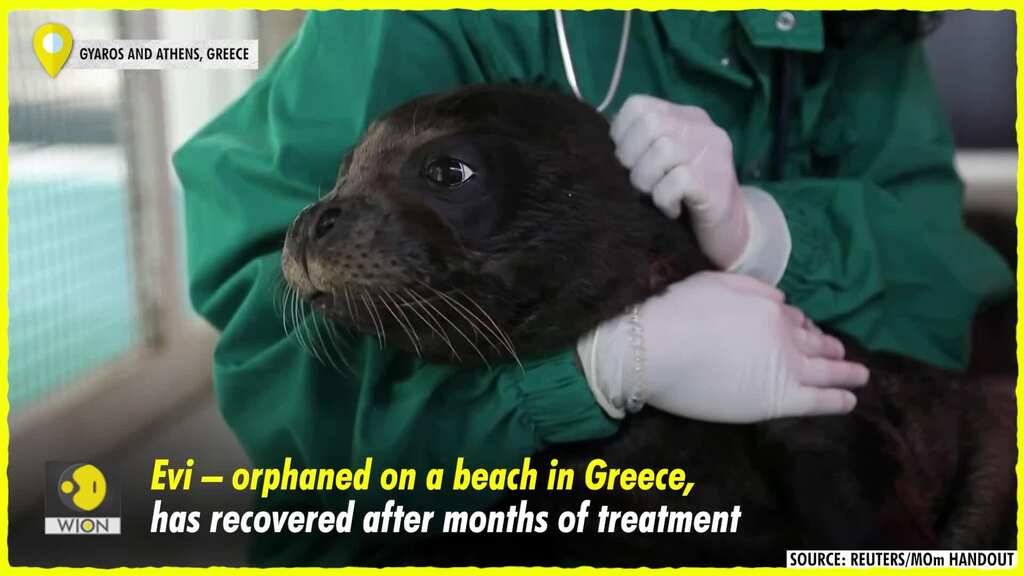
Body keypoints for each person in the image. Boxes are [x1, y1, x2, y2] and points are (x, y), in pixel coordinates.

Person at [173, 10, 1013, 565]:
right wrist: (595, 369)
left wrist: (768, 233)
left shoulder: (862, 27)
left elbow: (950, 288)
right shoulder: (421, 20)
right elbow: (276, 363)